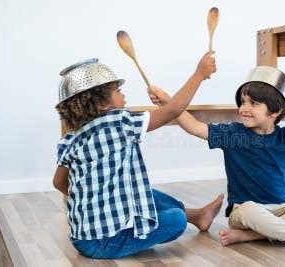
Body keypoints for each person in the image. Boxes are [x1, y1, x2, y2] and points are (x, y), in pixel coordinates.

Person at [53, 52, 224, 259]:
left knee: (142, 192)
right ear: (101, 104)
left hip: (81, 238)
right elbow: (173, 110)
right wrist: (199, 74)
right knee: (176, 221)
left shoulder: (72, 137)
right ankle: (189, 217)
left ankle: (198, 216)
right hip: (105, 242)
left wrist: (93, 199)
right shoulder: (118, 123)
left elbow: (59, 182)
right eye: (117, 90)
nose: (123, 95)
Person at [148, 79, 285, 247]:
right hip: (243, 212)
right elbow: (194, 127)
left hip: (278, 209)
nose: (243, 108)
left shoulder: (284, 137)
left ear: (275, 111)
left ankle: (251, 236)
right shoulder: (232, 134)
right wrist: (169, 102)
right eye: (243, 102)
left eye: (253, 103)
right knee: (249, 210)